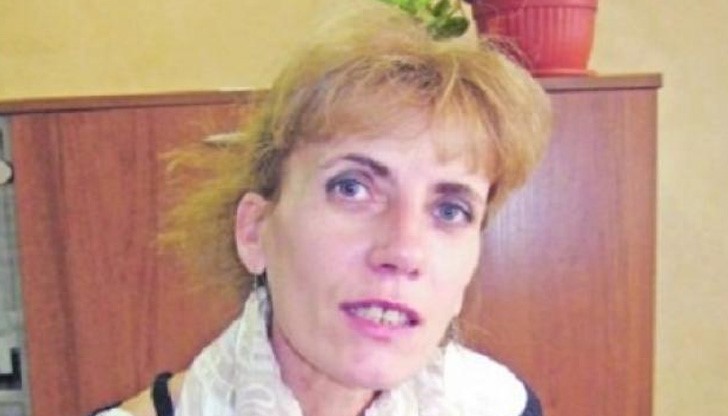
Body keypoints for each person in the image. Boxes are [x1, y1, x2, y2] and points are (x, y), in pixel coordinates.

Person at [94, 6, 551, 416]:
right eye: (352, 188)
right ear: (254, 232)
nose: (404, 251)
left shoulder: (502, 406)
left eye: (450, 210)